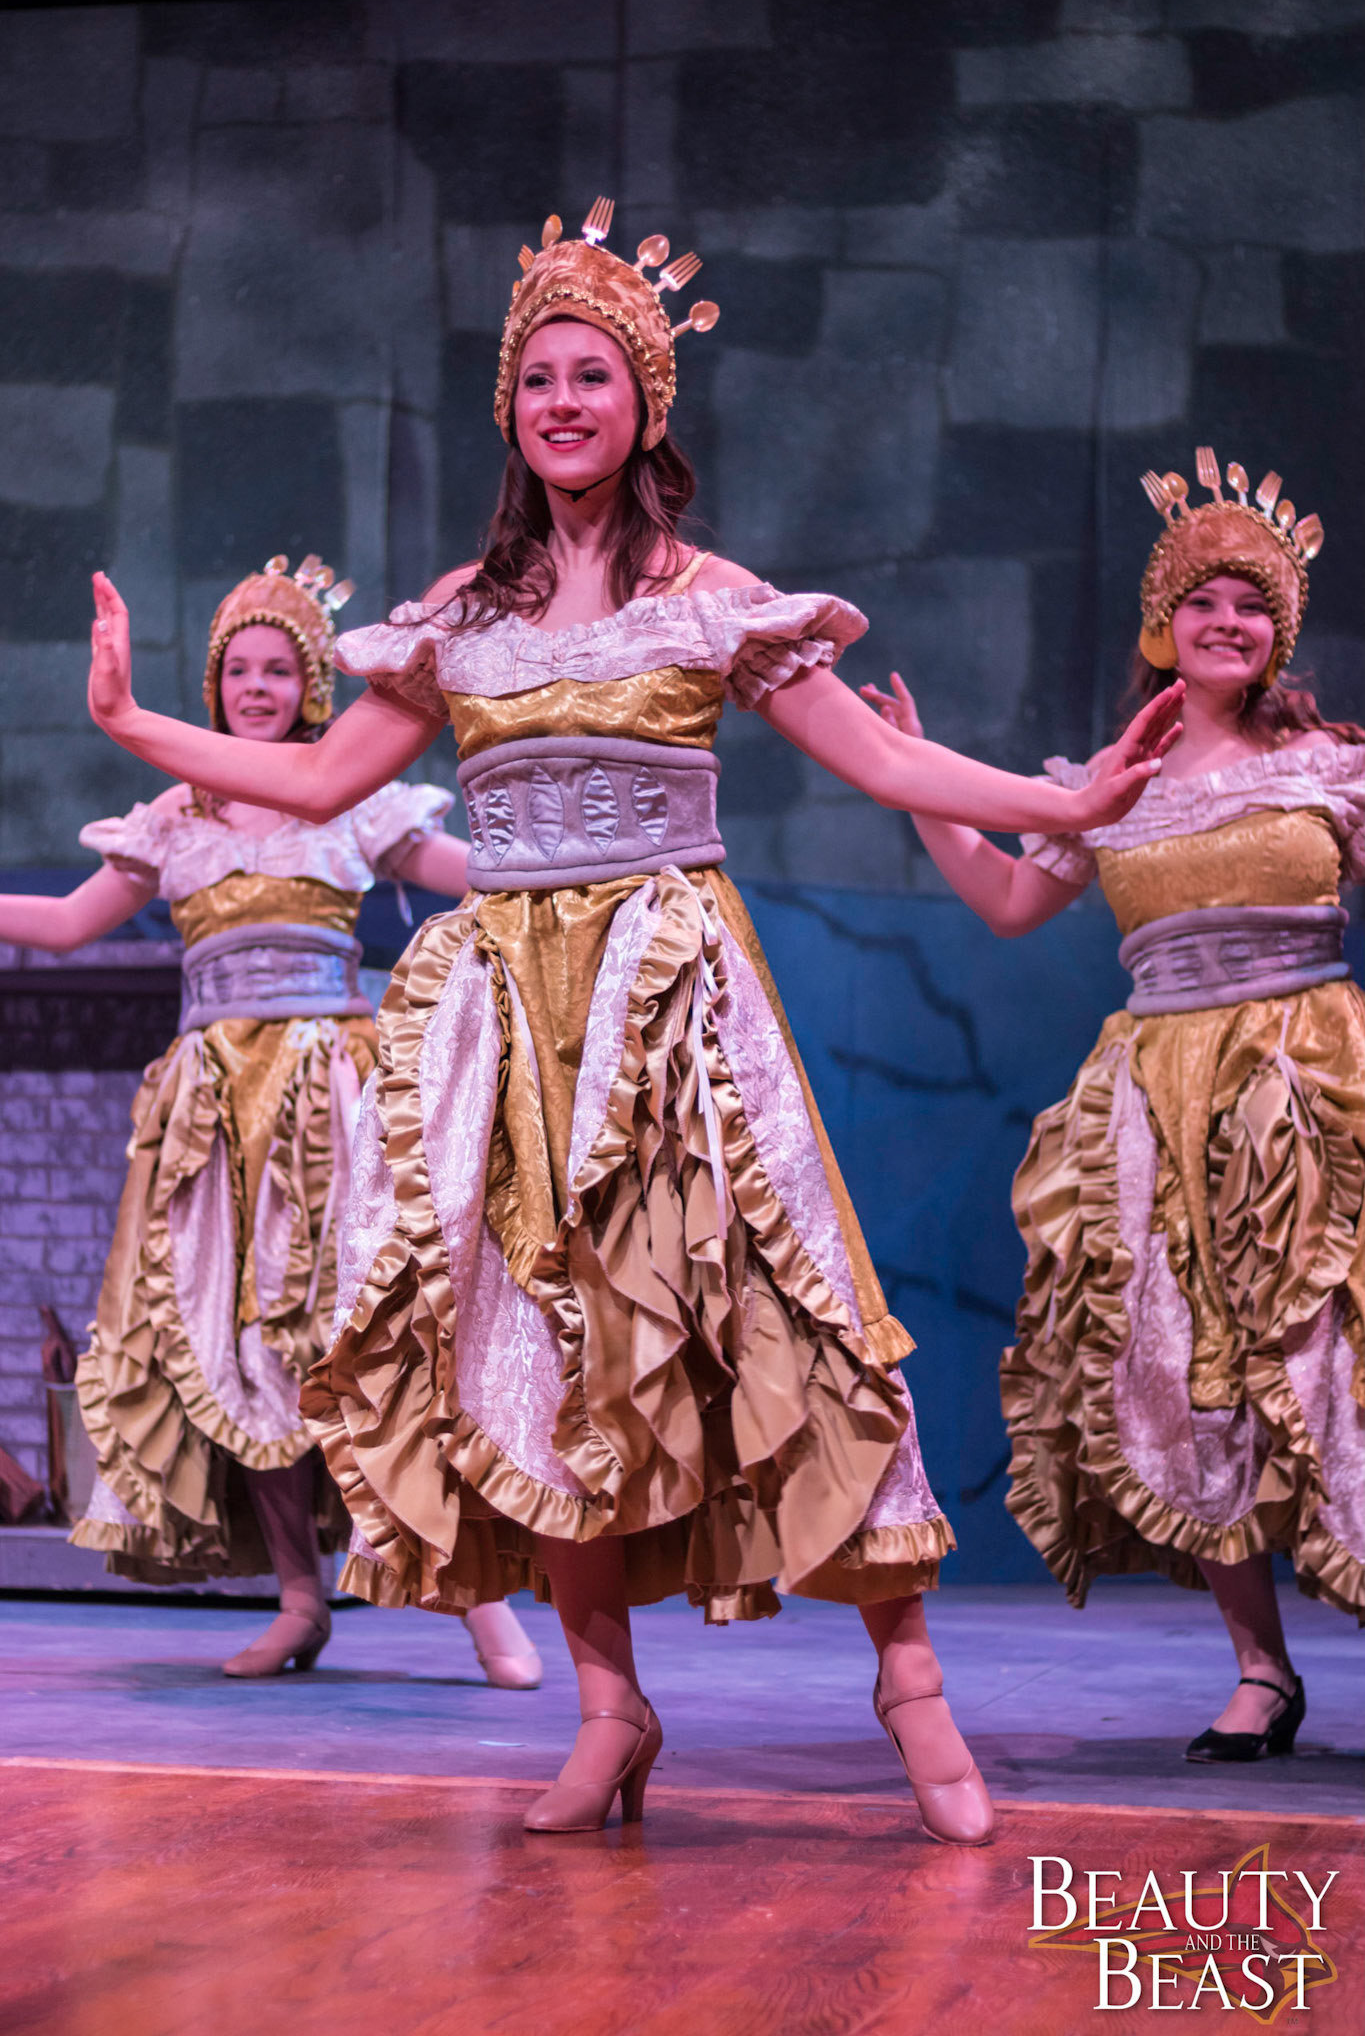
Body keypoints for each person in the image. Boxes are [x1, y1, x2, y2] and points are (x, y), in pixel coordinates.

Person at [83, 202, 1177, 1837]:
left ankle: (909, 1689)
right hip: (508, 1024)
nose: (563, 402)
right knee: (533, 1351)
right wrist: (129, 720)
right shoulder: (460, 617)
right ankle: (609, 1712)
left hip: (670, 1008)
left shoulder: (706, 598)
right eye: (538, 379)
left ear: (644, 404)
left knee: (784, 1316)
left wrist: (1064, 800)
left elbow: (886, 763)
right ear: (510, 409)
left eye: (592, 375)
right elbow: (313, 781)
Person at [861, 450, 1363, 1762]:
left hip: (1311, 1087)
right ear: (1162, 621)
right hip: (1159, 1103)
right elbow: (1009, 902)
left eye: (1251, 606)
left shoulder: (1329, 765)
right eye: (1204, 601)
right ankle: (1260, 1669)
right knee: (1192, 1370)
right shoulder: (1111, 780)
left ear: (1278, 632)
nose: (1227, 622)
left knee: (1333, 1355)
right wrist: (917, 776)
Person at [3, 555, 540, 1689]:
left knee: (372, 1339)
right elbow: (61, 923)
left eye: (278, 669)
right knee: (240, 1348)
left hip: (331, 1103)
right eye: (238, 669)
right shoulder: (174, 817)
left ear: (311, 686)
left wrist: (568, 839)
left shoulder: (356, 799)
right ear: (213, 684)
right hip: (213, 1119)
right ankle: (301, 1596)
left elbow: (477, 874)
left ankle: (475, 1594)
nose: (256, 686)